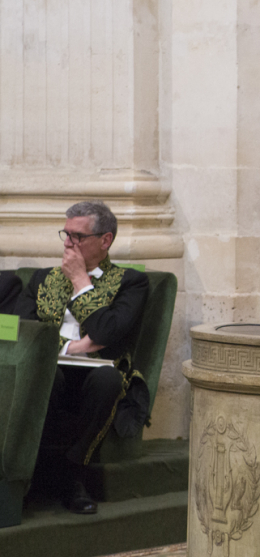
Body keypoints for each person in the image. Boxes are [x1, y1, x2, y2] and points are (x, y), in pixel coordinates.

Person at [14, 201, 150, 514]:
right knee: (51, 375)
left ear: (105, 240)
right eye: (66, 234)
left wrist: (80, 281)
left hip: (97, 373)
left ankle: (73, 474)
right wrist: (72, 347)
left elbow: (106, 332)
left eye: (77, 237)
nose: (67, 243)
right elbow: (26, 330)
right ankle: (31, 471)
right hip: (51, 369)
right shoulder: (40, 279)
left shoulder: (130, 282)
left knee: (108, 380)